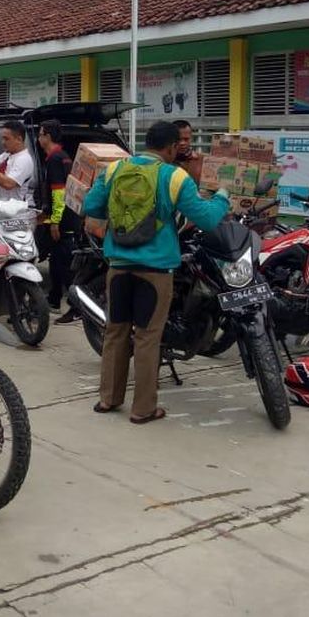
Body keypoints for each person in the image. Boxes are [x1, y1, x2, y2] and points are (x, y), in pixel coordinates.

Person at [82, 120, 230, 424]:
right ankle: (143, 409)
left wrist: (119, 220)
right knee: (148, 338)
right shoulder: (175, 177)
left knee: (116, 332)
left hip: (118, 267)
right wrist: (223, 198)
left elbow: (91, 206)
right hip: (156, 270)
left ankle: (108, 399)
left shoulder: (115, 170)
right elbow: (206, 219)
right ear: (173, 147)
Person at [35, 120, 78, 321]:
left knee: (64, 264)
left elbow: (59, 192)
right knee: (55, 260)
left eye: (41, 134)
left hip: (63, 219)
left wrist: (54, 221)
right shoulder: (62, 156)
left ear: (48, 136)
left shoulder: (55, 159)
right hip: (65, 216)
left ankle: (77, 307)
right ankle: (53, 298)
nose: (38, 138)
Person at [171, 119, 204, 184]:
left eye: (186, 139)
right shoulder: (164, 162)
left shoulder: (202, 160)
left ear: (191, 138)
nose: (182, 143)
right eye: (178, 139)